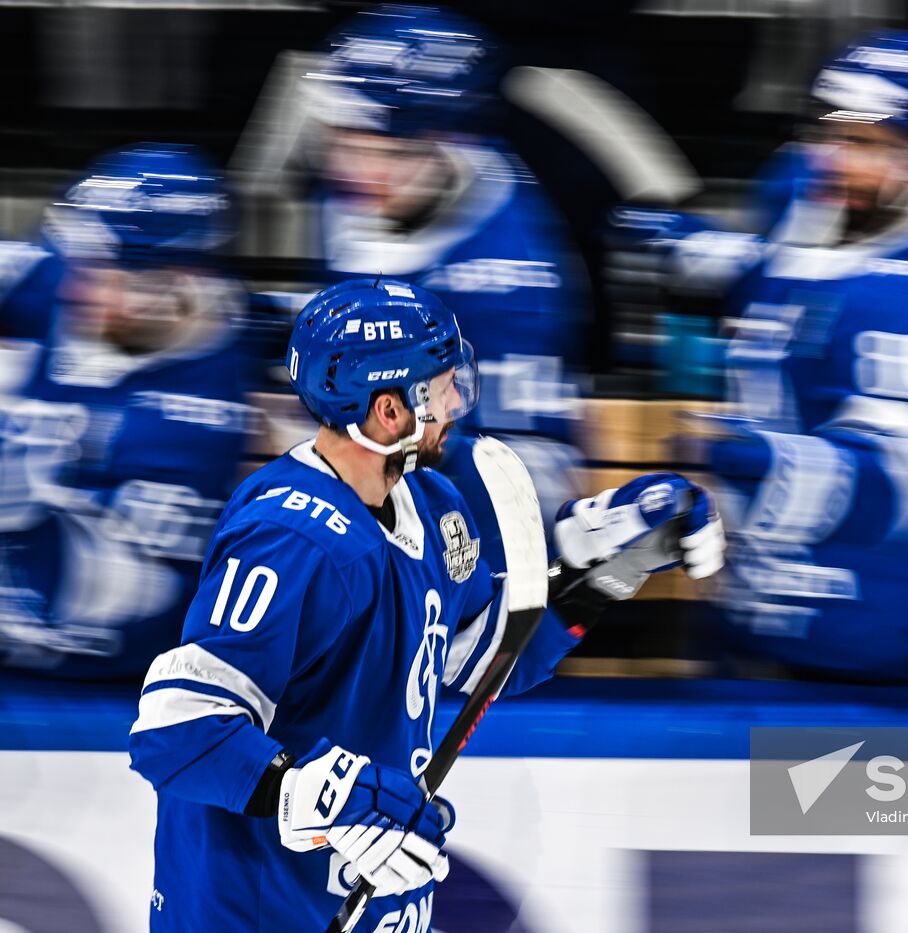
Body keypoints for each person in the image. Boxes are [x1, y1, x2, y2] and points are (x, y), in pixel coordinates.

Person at [127, 277, 723, 931]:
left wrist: (604, 570)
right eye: (438, 386)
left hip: (361, 905)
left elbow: (484, 662)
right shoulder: (292, 536)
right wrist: (315, 792)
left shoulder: (431, 506)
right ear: (387, 411)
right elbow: (178, 730)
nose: (455, 399)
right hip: (253, 909)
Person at [677, 31, 908, 681]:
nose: (834, 158)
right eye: (829, 133)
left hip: (877, 635)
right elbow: (790, 290)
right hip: (760, 607)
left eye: (868, 145)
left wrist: (772, 464)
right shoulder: (810, 203)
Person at [303, 4, 589, 534]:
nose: (357, 171)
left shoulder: (509, 280)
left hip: (459, 534)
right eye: (344, 143)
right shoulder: (360, 198)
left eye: (385, 150)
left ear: (447, 143)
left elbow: (524, 477)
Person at [0, 144, 254, 679]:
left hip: (99, 688)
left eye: (105, 274)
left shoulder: (195, 421)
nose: (76, 284)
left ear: (173, 286)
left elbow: (110, 616)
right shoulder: (58, 280)